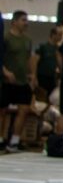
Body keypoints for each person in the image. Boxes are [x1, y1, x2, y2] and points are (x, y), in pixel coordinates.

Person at [2, 11, 35, 151]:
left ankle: (14, 141)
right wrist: (5, 71)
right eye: (23, 20)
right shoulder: (5, 38)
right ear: (14, 22)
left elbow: (29, 59)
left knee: (24, 109)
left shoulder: (28, 40)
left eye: (27, 20)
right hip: (5, 80)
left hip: (22, 81)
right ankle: (1, 139)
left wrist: (32, 75)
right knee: (2, 111)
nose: (26, 23)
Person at [32, 27, 62, 100]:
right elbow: (35, 61)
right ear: (53, 35)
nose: (60, 37)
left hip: (52, 77)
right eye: (59, 35)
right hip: (42, 76)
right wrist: (34, 76)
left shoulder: (58, 49)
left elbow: (59, 64)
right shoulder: (43, 47)